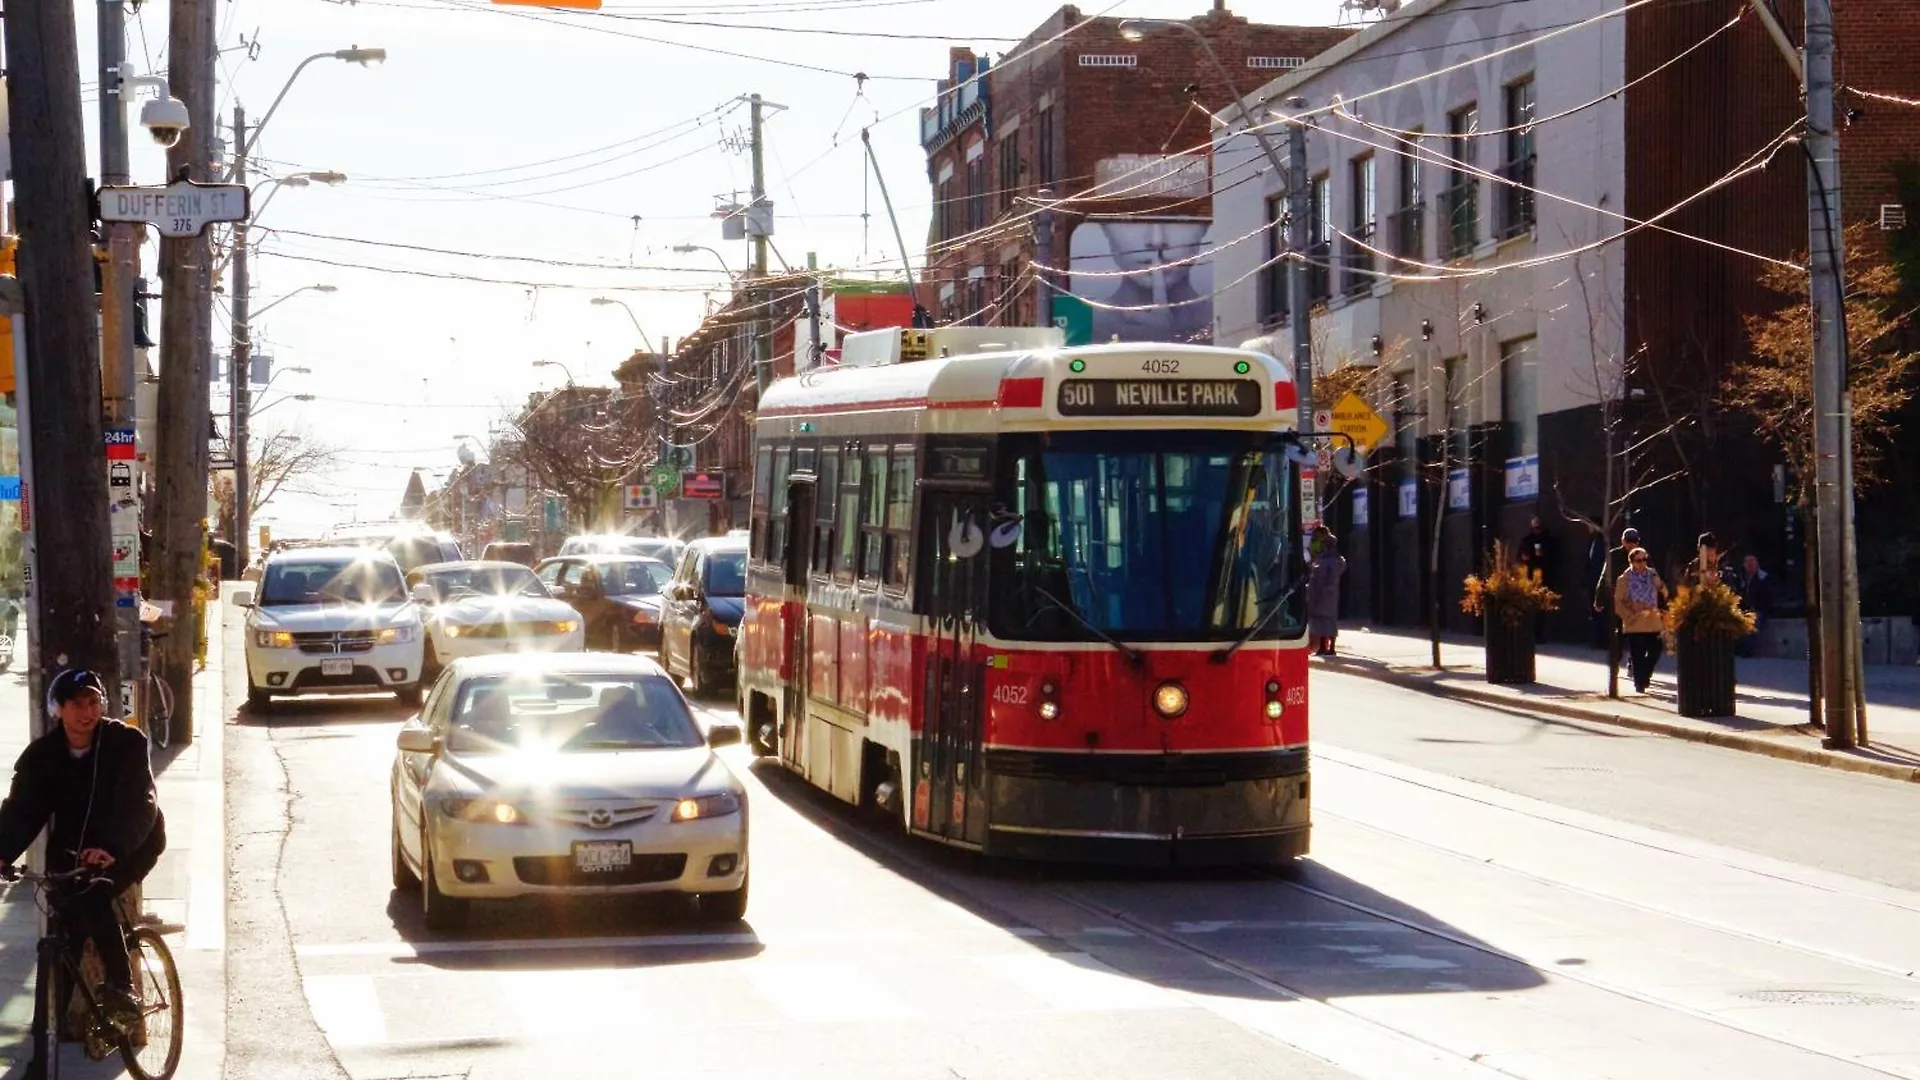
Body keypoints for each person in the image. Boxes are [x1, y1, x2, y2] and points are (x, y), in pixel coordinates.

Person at [0, 668, 166, 1030]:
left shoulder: (126, 743)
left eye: (93, 702)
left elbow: (140, 801)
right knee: (64, 926)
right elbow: (22, 810)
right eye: (76, 704)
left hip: (133, 840)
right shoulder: (43, 756)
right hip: (75, 845)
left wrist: (112, 847)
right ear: (58, 709)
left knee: (94, 893)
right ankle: (47, 1039)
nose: (87, 712)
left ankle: (123, 989)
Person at [1613, 547, 1669, 693]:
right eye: (1639, 560)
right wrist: (1630, 614)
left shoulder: (1652, 575)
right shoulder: (1624, 579)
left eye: (1645, 559)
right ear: (1631, 561)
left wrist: (1660, 584)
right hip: (1635, 622)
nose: (1643, 563)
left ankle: (1645, 675)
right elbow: (1618, 603)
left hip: (1652, 621)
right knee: (1637, 653)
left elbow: (1666, 593)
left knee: (1656, 650)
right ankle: (1640, 683)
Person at [1592, 527, 1641, 651]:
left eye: (1633, 542)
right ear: (1623, 541)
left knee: (1636, 634)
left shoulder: (1643, 556)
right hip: (1618, 600)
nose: (1631, 545)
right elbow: (1604, 577)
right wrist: (1599, 599)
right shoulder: (1614, 555)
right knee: (1618, 633)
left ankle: (1632, 661)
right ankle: (1616, 660)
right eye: (1628, 541)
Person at [1306, 526, 1347, 657]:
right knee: (1319, 621)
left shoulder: (1335, 560)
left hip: (1328, 594)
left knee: (1329, 620)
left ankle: (1331, 647)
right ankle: (1323, 646)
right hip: (1318, 592)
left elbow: (1333, 574)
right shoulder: (1322, 558)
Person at [1515, 517, 1558, 642]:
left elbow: (1552, 559)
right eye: (1534, 527)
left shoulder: (1548, 541)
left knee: (1541, 608)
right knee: (1530, 607)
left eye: (1538, 527)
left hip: (1543, 577)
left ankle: (1539, 634)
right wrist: (1524, 559)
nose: (1536, 530)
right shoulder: (1527, 540)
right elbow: (1520, 557)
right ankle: (1530, 633)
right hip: (1529, 577)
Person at [1735, 554, 1775, 658]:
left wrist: (1756, 607)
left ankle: (1748, 651)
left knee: (1754, 623)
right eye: (1747, 563)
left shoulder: (1763, 578)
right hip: (1744, 610)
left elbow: (1767, 597)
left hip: (1759, 609)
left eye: (1752, 563)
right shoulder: (1741, 578)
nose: (1750, 565)